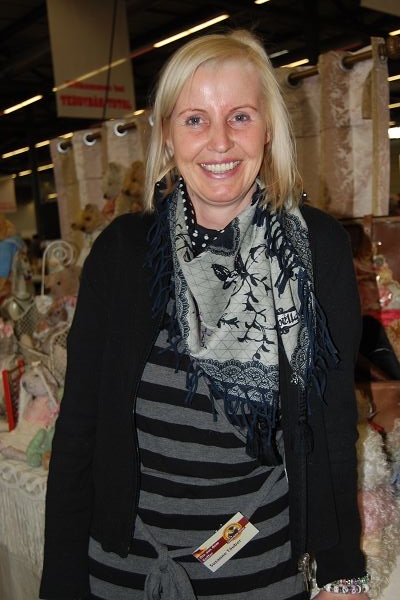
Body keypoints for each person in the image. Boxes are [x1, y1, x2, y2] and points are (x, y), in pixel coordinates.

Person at [40, 29, 369, 600]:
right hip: (124, 569)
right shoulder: (122, 253)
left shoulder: (316, 249)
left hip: (260, 572)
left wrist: (342, 572)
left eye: (240, 117)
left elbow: (331, 425)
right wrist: (61, 582)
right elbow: (79, 430)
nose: (219, 141)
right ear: (168, 136)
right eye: (195, 119)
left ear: (268, 129)